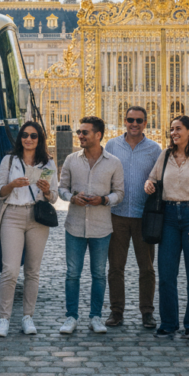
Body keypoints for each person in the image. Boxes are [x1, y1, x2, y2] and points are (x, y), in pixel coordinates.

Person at [143, 115, 189, 340]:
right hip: (169, 218)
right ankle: (169, 322)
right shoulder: (165, 155)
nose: (174, 133)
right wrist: (148, 184)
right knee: (166, 274)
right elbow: (153, 178)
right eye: (172, 129)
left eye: (178, 129)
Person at [58, 116, 124, 335]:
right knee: (72, 274)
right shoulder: (70, 160)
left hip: (101, 227)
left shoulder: (113, 162)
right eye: (79, 132)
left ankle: (95, 317)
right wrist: (72, 197)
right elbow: (62, 188)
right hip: (74, 225)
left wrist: (104, 200)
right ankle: (71, 317)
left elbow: (120, 193)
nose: (80, 136)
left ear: (98, 135)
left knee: (98, 274)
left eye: (85, 132)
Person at [0, 121, 57, 337]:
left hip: (37, 217)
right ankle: (4, 318)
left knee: (32, 271)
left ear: (39, 140)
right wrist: (12, 185)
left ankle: (28, 316)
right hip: (12, 214)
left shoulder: (48, 163)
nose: (28, 139)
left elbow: (54, 197)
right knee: (10, 270)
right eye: (25, 135)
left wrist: (47, 191)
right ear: (20, 138)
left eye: (33, 136)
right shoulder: (9, 160)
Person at [103, 106, 161, 329]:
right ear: (124, 121)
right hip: (117, 214)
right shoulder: (112, 145)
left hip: (143, 216)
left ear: (145, 123)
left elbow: (159, 178)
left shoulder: (154, 149)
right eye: (130, 120)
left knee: (146, 268)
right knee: (116, 267)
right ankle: (116, 312)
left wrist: (152, 184)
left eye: (139, 120)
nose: (134, 124)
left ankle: (147, 312)